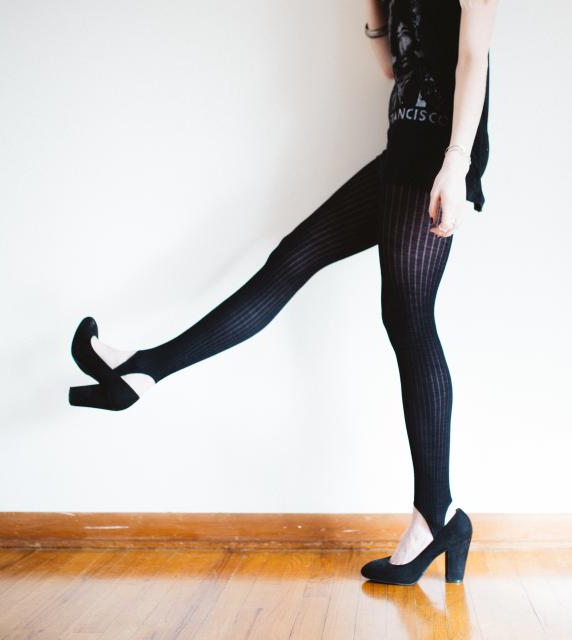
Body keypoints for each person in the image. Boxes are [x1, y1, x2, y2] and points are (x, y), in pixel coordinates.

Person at [68, 0, 500, 586]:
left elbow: (474, 56)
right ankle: (142, 371)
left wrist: (456, 163)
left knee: (409, 320)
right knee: (293, 260)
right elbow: (391, 67)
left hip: (438, 159)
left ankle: (437, 516)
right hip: (401, 154)